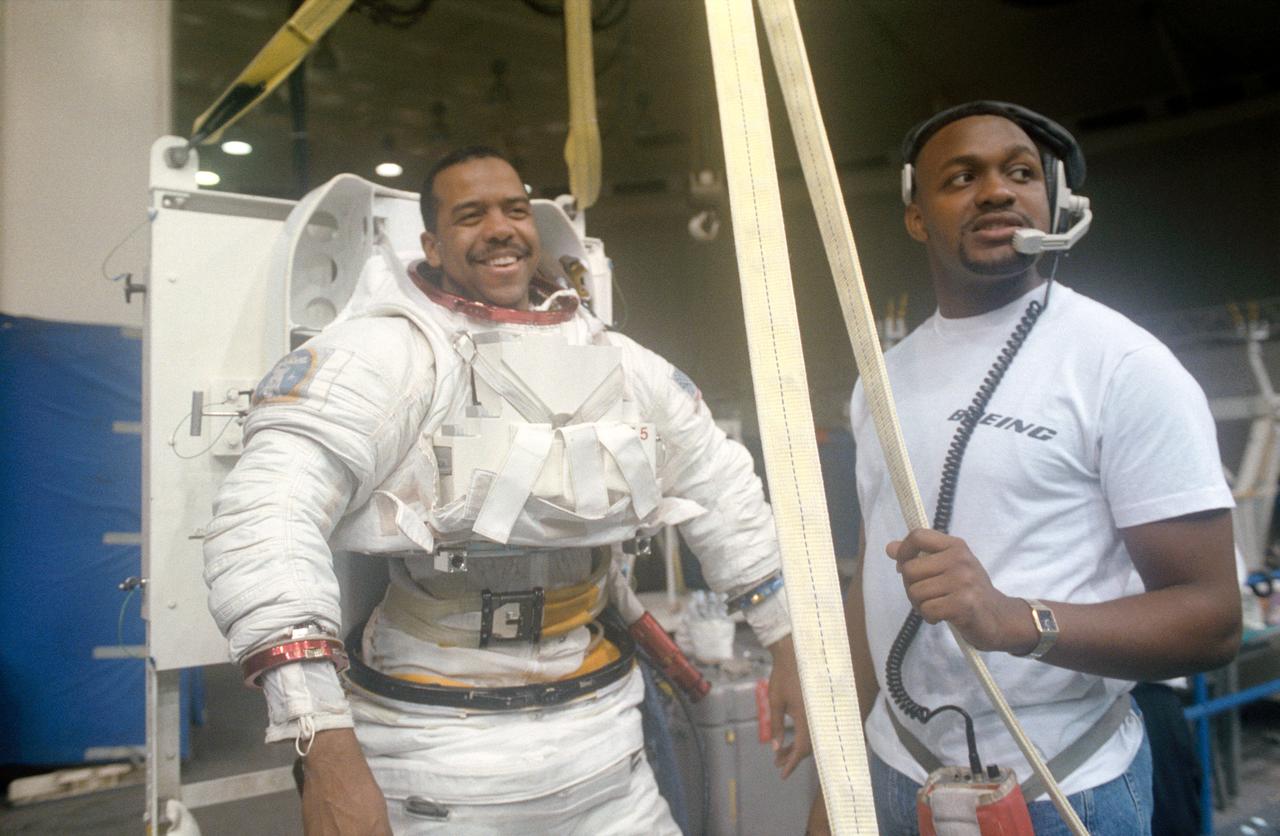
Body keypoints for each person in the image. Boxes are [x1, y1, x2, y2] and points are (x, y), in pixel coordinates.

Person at [203, 146, 808, 834]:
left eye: (515, 210)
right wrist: (325, 749)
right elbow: (265, 525)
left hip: (606, 751)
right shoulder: (386, 355)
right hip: (438, 760)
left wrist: (786, 643)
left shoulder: (615, 359)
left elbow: (724, 489)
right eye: (471, 215)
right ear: (432, 245)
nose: (500, 228)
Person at [808, 101, 1240, 834]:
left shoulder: (1124, 366)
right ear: (917, 217)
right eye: (962, 177)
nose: (997, 191)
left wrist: (1017, 620)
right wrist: (836, 783)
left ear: (1056, 200)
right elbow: (872, 581)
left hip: (1060, 788)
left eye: (1020, 174)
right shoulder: (880, 380)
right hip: (891, 772)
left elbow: (1213, 618)